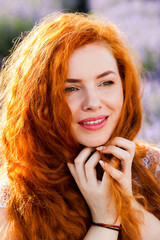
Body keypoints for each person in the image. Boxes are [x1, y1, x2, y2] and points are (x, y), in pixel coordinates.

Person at [0, 12, 159, 240]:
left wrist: (126, 202)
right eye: (71, 88)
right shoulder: (14, 200)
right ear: (39, 101)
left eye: (106, 82)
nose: (93, 103)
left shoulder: (153, 168)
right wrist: (105, 222)